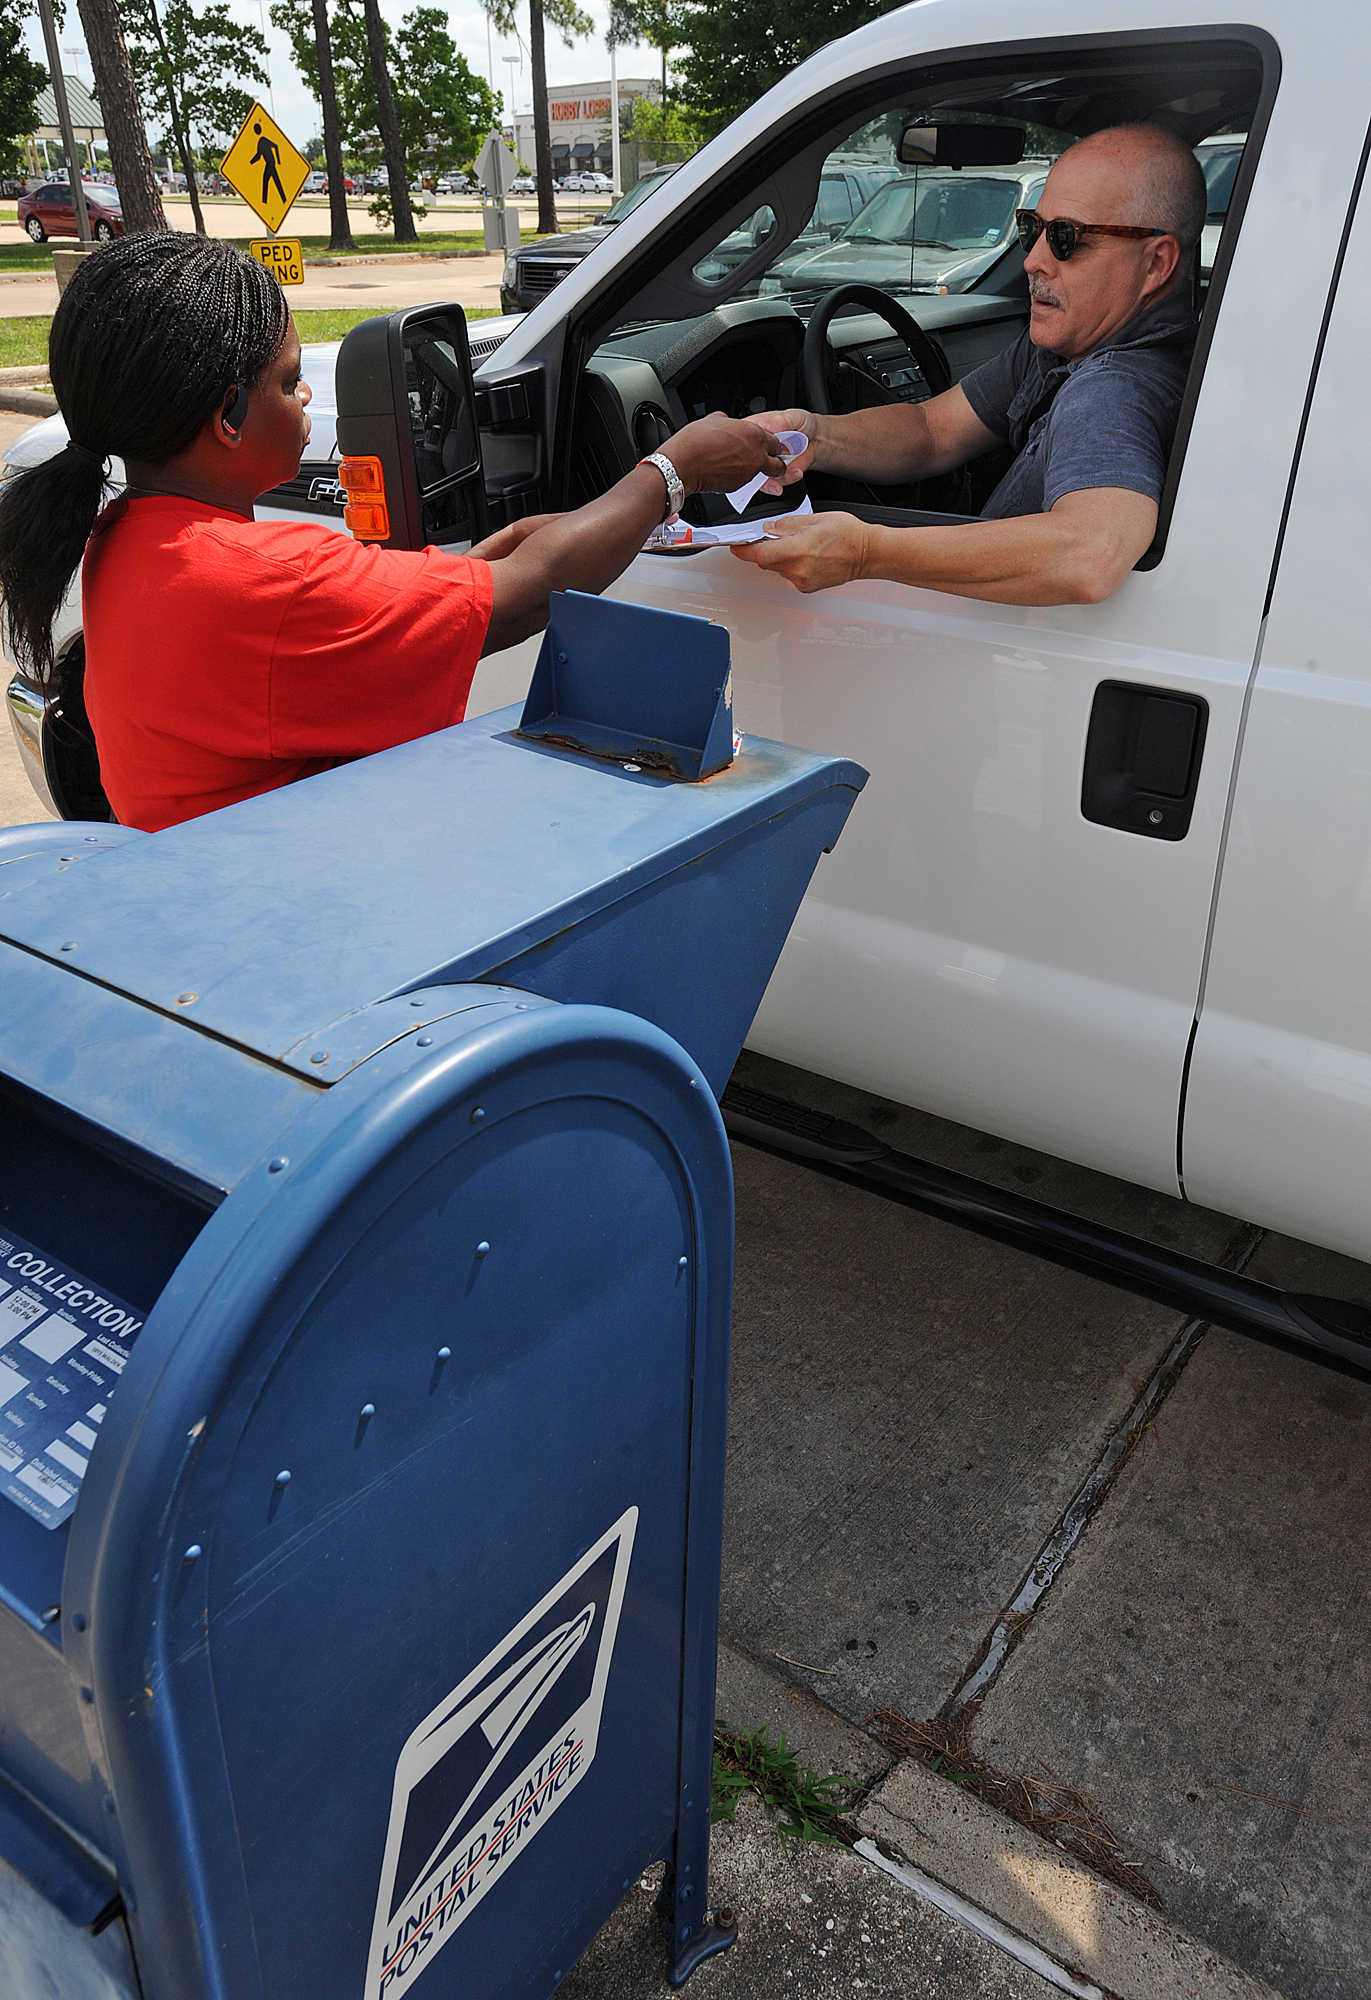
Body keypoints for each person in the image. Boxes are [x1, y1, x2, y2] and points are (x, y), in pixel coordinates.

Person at [0, 233, 783, 832]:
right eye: (284, 380)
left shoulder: (127, 538)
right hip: (301, 922)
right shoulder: (264, 579)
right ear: (227, 418)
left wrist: (552, 538)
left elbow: (448, 597)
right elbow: (517, 603)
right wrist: (674, 470)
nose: (304, 391)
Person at [737, 124, 1207, 607]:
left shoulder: (1113, 390)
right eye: (1032, 229)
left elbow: (1088, 555)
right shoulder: (1066, 346)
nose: (1033, 261)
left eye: (1067, 238)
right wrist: (811, 437)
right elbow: (932, 430)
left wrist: (865, 553)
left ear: (1155, 264)